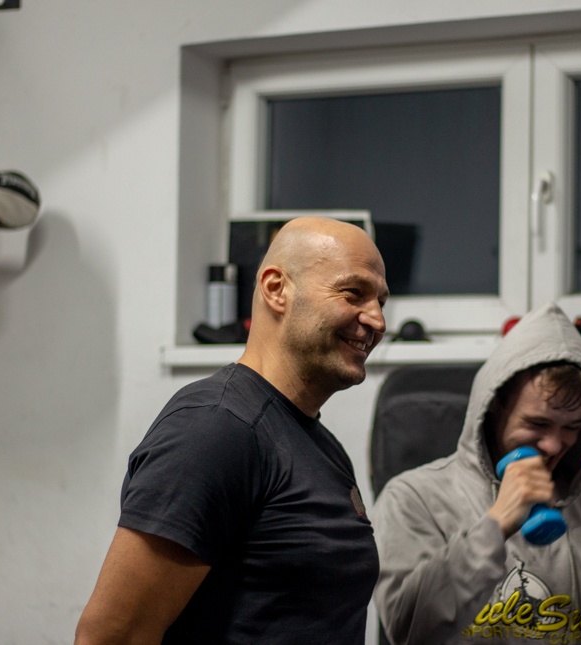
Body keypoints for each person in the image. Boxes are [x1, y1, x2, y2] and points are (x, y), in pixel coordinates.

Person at [75, 216, 389, 644]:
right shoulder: (216, 427)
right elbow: (112, 637)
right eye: (353, 293)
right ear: (276, 289)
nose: (377, 321)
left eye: (381, 302)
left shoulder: (321, 445)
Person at [372, 302, 581, 645]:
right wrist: (494, 527)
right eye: (537, 423)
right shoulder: (412, 499)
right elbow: (409, 631)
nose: (554, 444)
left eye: (572, 427)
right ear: (494, 408)